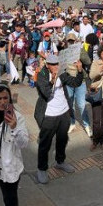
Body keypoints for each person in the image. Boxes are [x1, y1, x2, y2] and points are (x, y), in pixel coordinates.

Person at [34, 54, 82, 184]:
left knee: (62, 139)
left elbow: (76, 83)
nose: (56, 67)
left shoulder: (62, 73)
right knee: (45, 143)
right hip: (49, 114)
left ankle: (60, 161)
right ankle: (42, 169)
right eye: (53, 65)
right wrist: (52, 80)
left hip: (64, 112)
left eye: (57, 64)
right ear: (47, 65)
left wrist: (80, 71)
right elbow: (46, 93)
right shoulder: (42, 75)